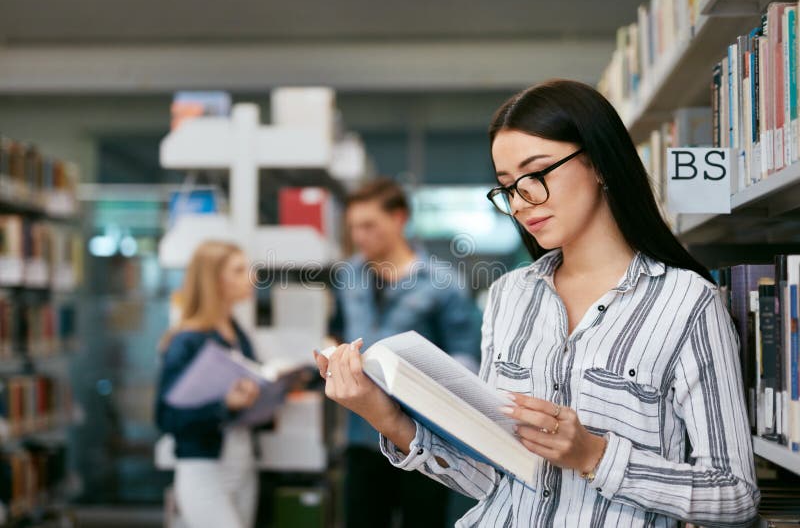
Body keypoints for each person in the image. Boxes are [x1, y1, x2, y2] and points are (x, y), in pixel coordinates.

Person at [314, 79, 760, 527]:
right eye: (508, 186)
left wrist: (595, 455)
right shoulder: (510, 295)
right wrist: (383, 415)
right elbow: (491, 478)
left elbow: (736, 494)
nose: (522, 202)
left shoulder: (687, 302)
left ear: (599, 163)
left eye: (537, 174)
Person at [327, 178, 483, 527]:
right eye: (353, 227)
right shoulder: (347, 276)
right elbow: (337, 328)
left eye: (369, 226)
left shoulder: (443, 283)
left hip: (422, 438)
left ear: (399, 218)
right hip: (361, 435)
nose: (359, 236)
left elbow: (465, 356)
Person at [155, 240, 261, 528]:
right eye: (239, 270)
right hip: (203, 470)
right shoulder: (186, 342)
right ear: (214, 280)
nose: (251, 277)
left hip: (241, 463)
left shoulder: (237, 334)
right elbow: (165, 418)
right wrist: (223, 405)